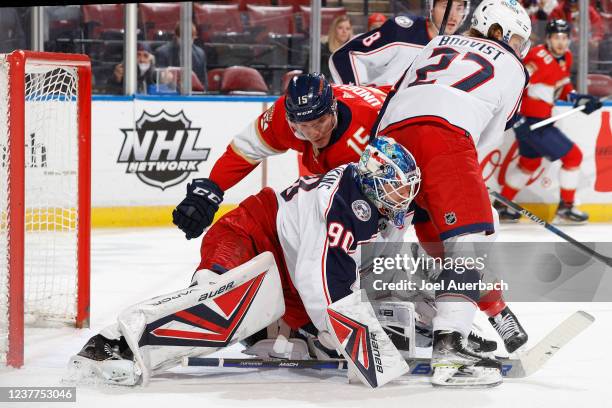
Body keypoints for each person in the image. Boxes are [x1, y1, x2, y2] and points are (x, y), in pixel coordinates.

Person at [71, 137, 476, 387]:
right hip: (251, 235)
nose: (400, 199)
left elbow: (364, 270)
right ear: (373, 178)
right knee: (219, 307)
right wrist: (357, 340)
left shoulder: (376, 206)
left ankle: (264, 329)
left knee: (310, 331)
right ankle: (115, 342)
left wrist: (433, 321)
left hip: (289, 269)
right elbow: (322, 281)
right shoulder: (343, 205)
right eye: (394, 188)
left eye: (405, 191)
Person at [372, 0, 533, 372]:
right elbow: (491, 133)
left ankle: (352, 320)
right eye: (518, 38)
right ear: (497, 30)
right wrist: (463, 171)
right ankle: (450, 340)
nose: (520, 48)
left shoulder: (435, 43)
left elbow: (391, 100)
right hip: (447, 137)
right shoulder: (513, 65)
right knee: (471, 236)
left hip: (390, 142)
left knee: (398, 237)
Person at [172, 73, 388, 240]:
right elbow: (246, 149)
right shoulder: (283, 119)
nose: (313, 133)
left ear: (334, 110)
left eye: (319, 122)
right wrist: (210, 189)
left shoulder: (372, 130)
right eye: (303, 127)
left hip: (394, 131)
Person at [495, 19, 603, 224]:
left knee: (529, 163)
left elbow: (563, 87)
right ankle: (566, 208)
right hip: (531, 123)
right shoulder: (537, 56)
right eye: (556, 37)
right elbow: (516, 83)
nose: (561, 42)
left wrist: (578, 99)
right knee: (573, 157)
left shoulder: (566, 58)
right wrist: (516, 118)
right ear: (547, 39)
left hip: (540, 122)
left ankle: (503, 206)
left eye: (564, 38)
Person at [329, 0, 470, 86]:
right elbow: (345, 55)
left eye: (459, 8)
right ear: (431, 7)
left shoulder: (463, 49)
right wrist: (360, 96)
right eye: (446, 6)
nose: (453, 15)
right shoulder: (402, 31)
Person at [154, 22, 208, 90]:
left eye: (191, 38)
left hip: (194, 95)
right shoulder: (162, 52)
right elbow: (157, 80)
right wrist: (165, 78)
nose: (187, 41)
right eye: (184, 38)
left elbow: (204, 83)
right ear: (176, 36)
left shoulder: (200, 54)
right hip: (170, 95)